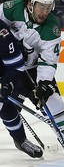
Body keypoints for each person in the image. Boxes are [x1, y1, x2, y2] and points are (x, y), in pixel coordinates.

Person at [0, 0, 64, 164]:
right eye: (41, 7)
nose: (45, 12)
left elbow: (49, 60)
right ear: (30, 4)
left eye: (48, 7)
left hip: (33, 69)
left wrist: (44, 83)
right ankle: (21, 140)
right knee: (6, 108)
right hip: (9, 65)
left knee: (54, 102)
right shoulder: (12, 8)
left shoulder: (52, 28)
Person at [0, 19, 43, 159]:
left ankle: (20, 140)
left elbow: (16, 65)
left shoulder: (2, 32)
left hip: (4, 71)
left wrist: (6, 84)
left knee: (6, 108)